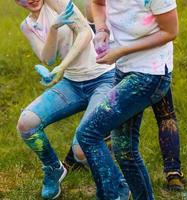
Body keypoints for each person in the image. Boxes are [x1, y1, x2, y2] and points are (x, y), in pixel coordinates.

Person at [63, 0, 185, 191]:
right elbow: (97, 3)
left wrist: (120, 50)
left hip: (149, 74)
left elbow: (170, 32)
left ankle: (116, 192)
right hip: (123, 69)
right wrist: (102, 30)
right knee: (123, 149)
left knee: (88, 133)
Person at [15, 0, 129, 199]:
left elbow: (85, 33)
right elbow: (48, 58)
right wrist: (53, 28)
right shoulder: (27, 25)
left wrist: (62, 67)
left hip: (103, 78)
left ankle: (119, 185)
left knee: (82, 149)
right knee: (26, 124)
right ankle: (53, 168)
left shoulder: (58, 2)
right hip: (72, 84)